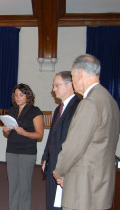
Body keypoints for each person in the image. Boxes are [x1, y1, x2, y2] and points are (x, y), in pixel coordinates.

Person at [53, 54, 120, 210]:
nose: (73, 82)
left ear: (80, 74)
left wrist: (59, 171)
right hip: (101, 181)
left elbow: (73, 146)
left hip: (84, 187)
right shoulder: (109, 100)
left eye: (73, 76)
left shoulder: (89, 103)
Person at [41, 71, 80, 210]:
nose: (53, 89)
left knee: (64, 203)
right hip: (53, 162)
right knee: (52, 202)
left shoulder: (79, 107)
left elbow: (76, 142)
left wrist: (65, 167)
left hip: (66, 165)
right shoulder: (59, 108)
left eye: (57, 85)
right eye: (53, 86)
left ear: (70, 85)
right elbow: (51, 136)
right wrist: (46, 157)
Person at [3, 83, 44, 210]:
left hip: (27, 152)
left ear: (28, 95)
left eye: (21, 95)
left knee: (24, 185)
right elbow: (7, 133)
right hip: (11, 150)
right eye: (16, 95)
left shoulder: (35, 111)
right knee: (13, 184)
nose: (18, 97)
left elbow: (39, 134)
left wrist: (24, 132)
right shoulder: (12, 110)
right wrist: (6, 130)